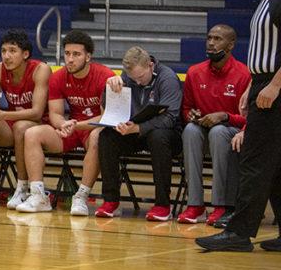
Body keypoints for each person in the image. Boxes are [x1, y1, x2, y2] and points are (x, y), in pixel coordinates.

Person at [197, 0, 281, 252]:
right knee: (275, 165)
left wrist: (273, 85)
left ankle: (239, 232)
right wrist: (252, 84)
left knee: (254, 161)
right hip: (263, 83)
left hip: (274, 89)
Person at [18, 30, 113, 215]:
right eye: (67, 54)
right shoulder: (59, 76)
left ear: (88, 56)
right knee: (32, 133)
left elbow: (105, 118)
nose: (70, 59)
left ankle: (81, 197)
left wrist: (74, 125)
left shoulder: (105, 76)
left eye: (76, 54)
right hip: (71, 129)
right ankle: (38, 196)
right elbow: (55, 114)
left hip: (93, 128)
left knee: (97, 137)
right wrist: (62, 125)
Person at [97, 46, 183, 221]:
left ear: (150, 65)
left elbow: (169, 118)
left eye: (141, 77)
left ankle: (162, 205)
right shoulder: (126, 77)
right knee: (106, 137)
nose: (137, 82)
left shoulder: (168, 78)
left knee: (158, 137)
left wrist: (137, 128)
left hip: (168, 135)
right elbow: (110, 110)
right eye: (132, 79)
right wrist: (109, 90)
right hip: (135, 130)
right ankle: (110, 201)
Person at [178, 25, 251, 224]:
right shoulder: (194, 72)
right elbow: (186, 109)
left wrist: (225, 116)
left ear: (231, 45)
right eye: (209, 38)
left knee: (218, 132)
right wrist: (191, 115)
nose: (211, 42)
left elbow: (250, 119)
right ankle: (195, 205)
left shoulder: (244, 74)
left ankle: (220, 205)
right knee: (190, 130)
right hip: (203, 130)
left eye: (218, 39)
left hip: (233, 132)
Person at [0, 29, 51, 207]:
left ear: (26, 54)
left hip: (40, 127)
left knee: (21, 127)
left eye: (12, 51)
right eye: (3, 51)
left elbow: (37, 112)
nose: (6, 56)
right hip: (12, 125)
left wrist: (3, 114)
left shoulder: (41, 69)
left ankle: (22, 189)